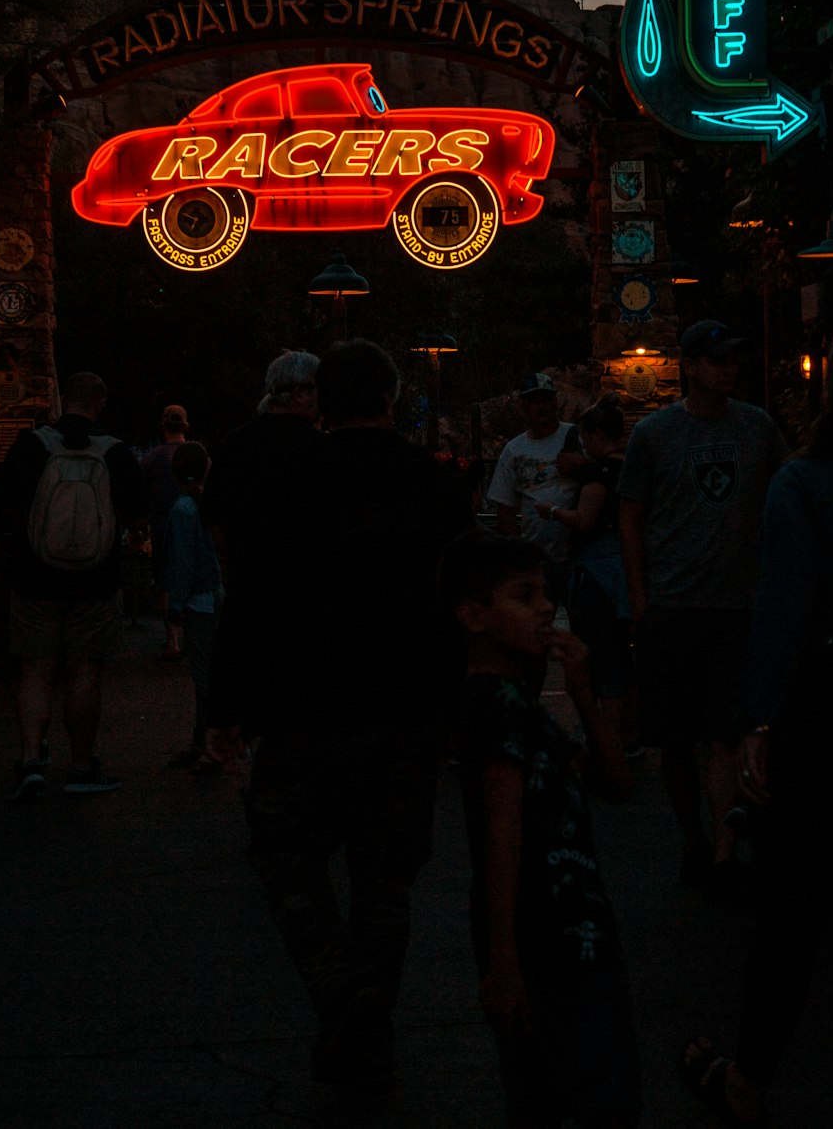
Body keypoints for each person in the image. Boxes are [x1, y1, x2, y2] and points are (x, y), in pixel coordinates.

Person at [211, 340, 469, 1087]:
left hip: (304, 703)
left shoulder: (286, 479)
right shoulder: (431, 483)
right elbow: (459, 600)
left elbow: (251, 598)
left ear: (321, 402)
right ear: (390, 398)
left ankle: (339, 986)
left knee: (284, 851)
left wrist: (227, 704)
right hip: (405, 706)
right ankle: (369, 1019)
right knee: (385, 876)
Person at [680, 324, 833, 1125]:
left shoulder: (806, 484)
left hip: (831, 701)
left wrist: (756, 718)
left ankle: (748, 1078)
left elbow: (784, 606)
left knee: (793, 908)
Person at [443, 530, 641, 1129]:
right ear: (474, 616)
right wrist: (503, 958)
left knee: (576, 1083)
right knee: (570, 1088)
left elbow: (614, 785)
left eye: (544, 594)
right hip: (542, 935)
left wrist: (582, 691)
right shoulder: (494, 705)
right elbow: (501, 834)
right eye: (524, 596)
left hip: (576, 929)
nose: (545, 608)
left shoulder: (522, 708)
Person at [618, 320, 788, 900]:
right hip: (674, 604)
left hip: (736, 606)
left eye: (733, 359)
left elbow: (780, 499)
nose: (728, 368)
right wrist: (641, 600)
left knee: (723, 731)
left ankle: (721, 846)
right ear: (689, 365)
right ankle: (694, 835)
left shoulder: (757, 428)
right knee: (674, 737)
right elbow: (632, 516)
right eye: (716, 360)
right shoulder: (656, 435)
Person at [0, 371, 147, 799]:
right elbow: (136, 517)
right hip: (95, 583)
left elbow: (2, 503)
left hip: (35, 580)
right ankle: (80, 765)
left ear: (63, 400)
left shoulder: (32, 445)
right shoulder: (114, 452)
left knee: (35, 671)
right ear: (100, 401)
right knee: (85, 672)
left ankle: (31, 761)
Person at [202, 349, 321, 734]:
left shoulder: (234, 445)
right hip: (308, 596)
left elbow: (215, 521)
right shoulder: (320, 450)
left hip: (248, 590)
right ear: (302, 393)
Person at [538, 394, 635, 756]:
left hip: (598, 572)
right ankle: (626, 730)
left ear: (595, 435)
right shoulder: (631, 466)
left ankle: (605, 735)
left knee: (602, 653)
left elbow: (585, 519)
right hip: (623, 570)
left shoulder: (601, 473)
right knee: (622, 655)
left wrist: (552, 512)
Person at [487, 372, 581, 606]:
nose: (542, 407)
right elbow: (505, 509)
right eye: (534, 401)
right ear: (524, 406)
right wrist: (517, 557)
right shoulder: (514, 450)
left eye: (546, 399)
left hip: (578, 553)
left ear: (555, 402)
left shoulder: (577, 438)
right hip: (538, 558)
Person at [162, 441, 223, 774]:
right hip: (213, 593)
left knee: (203, 677)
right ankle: (206, 743)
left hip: (198, 600)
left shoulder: (182, 510)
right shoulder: (207, 505)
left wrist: (175, 603)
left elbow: (182, 563)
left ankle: (206, 745)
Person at [141, 403, 190, 659]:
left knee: (165, 583)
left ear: (163, 426)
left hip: (162, 527)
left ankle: (172, 641)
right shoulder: (197, 455)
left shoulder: (152, 457)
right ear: (185, 425)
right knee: (193, 578)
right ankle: (193, 636)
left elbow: (142, 493)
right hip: (193, 526)